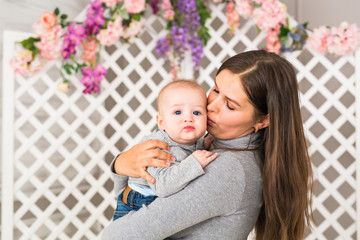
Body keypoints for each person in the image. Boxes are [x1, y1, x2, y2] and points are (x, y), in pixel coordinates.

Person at [102, 50, 313, 240]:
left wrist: (122, 167)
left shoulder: (229, 169)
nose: (211, 106)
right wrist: (122, 164)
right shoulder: (213, 147)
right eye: (215, 89)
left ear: (263, 120)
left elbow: (117, 234)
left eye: (230, 105)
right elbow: (135, 201)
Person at [113, 80, 218, 220]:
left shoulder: (192, 142)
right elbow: (163, 186)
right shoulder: (157, 146)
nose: (188, 118)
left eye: (197, 112)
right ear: (161, 122)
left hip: (159, 204)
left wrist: (204, 144)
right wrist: (194, 163)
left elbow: (186, 151)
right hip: (138, 204)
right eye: (178, 112)